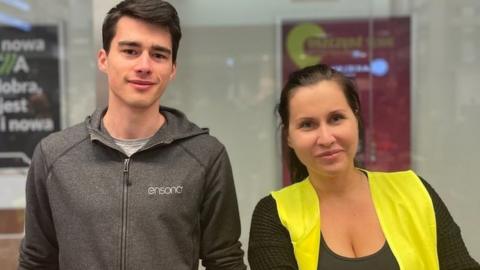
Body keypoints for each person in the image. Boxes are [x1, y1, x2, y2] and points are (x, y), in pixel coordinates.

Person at [18, 1, 246, 269]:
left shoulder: (206, 156)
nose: (144, 65)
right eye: (130, 51)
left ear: (172, 68)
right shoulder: (54, 155)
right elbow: (37, 261)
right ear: (104, 59)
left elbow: (225, 261)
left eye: (159, 55)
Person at [248, 64, 479, 270]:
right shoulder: (273, 215)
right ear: (289, 137)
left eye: (336, 118)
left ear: (355, 118)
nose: (326, 138)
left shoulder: (415, 191)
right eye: (307, 124)